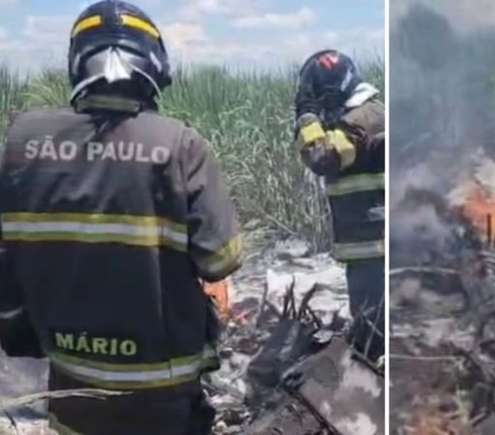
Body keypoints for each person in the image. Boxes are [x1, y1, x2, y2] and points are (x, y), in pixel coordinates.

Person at [0, 1, 242, 433]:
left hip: (70, 376)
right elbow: (220, 260)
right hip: (160, 383)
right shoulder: (180, 144)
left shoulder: (22, 142)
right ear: (153, 64)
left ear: (78, 62)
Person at [294, 49, 385, 362]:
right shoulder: (368, 114)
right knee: (371, 317)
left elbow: (323, 158)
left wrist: (306, 117)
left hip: (375, 243)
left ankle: (375, 384)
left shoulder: (362, 120)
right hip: (370, 242)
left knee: (374, 330)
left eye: (317, 98)